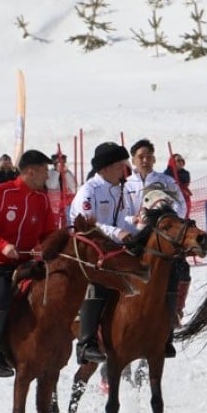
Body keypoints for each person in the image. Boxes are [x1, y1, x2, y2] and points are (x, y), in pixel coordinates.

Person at [0, 149, 58, 378]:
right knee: (0, 295)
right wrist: (3, 246)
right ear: (30, 172)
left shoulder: (42, 199)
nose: (48, 176)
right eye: (44, 171)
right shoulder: (0, 194)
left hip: (26, 260)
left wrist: (53, 248)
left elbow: (49, 233)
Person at [69, 142, 134, 365]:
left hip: (114, 246)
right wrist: (120, 233)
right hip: (88, 248)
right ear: (105, 168)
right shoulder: (88, 192)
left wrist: (138, 225)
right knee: (100, 279)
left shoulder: (121, 189)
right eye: (120, 165)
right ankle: (86, 343)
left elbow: (125, 218)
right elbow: (90, 227)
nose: (124, 170)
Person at [124, 139, 190, 357]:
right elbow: (119, 214)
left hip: (161, 240)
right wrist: (131, 220)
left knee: (180, 270)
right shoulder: (124, 185)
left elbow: (181, 205)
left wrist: (169, 220)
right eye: (141, 156)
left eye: (149, 156)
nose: (145, 160)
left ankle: (171, 322)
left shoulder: (166, 181)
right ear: (133, 159)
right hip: (134, 239)